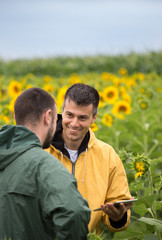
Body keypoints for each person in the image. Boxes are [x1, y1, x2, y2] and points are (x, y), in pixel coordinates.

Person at [0, 87, 90, 240]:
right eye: (56, 120)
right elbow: (74, 212)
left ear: (16, 116)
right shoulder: (44, 165)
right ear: (48, 117)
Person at [47, 83, 133, 234]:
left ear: (94, 118)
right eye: (69, 115)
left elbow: (118, 200)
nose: (74, 123)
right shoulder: (41, 149)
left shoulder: (107, 155)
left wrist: (118, 216)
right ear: (61, 111)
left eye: (82, 118)